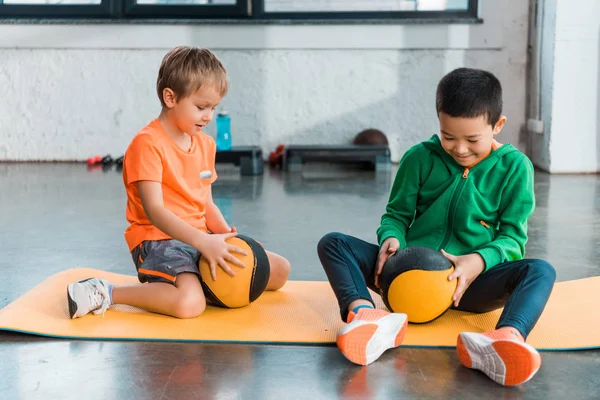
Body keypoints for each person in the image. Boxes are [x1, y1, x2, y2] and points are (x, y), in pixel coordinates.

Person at [317, 67, 556, 386]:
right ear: (439, 123)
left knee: (540, 270)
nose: (460, 149)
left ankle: (506, 338)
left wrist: (479, 260)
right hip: (405, 279)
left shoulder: (515, 168)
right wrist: (392, 237)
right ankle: (365, 315)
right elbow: (396, 214)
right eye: (448, 136)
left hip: (469, 284)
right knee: (333, 243)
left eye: (473, 139)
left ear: (498, 125)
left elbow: (512, 237)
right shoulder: (418, 158)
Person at [67, 46, 290, 320]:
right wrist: (203, 242)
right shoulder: (147, 144)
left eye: (213, 107)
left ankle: (201, 281)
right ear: (170, 98)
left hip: (199, 238)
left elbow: (205, 203)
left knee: (278, 271)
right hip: (157, 240)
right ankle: (107, 292)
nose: (208, 116)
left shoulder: (206, 144)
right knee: (190, 304)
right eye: (201, 107)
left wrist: (228, 237)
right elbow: (155, 212)